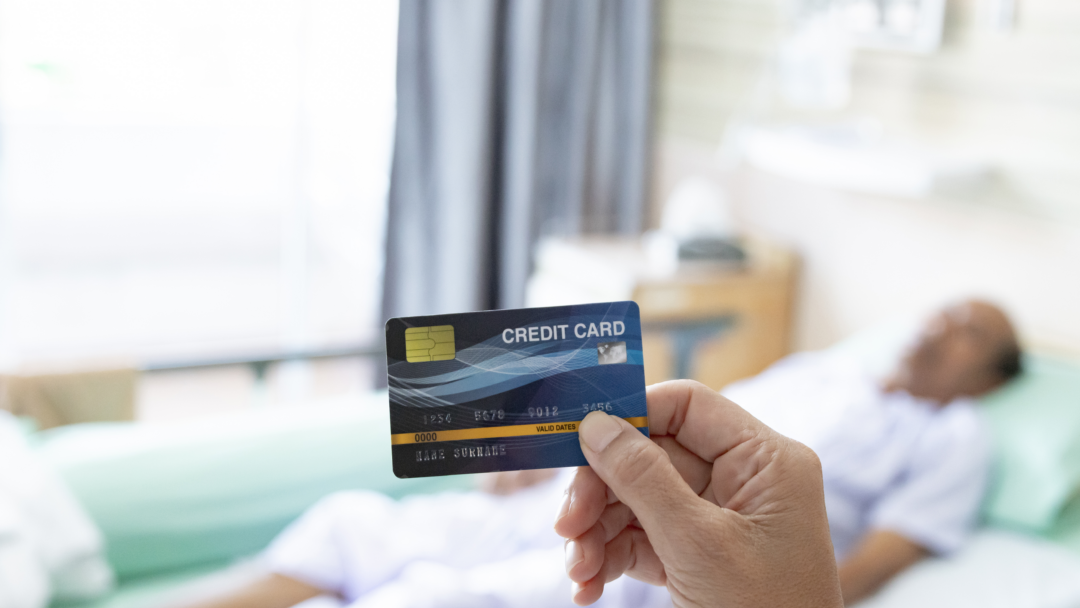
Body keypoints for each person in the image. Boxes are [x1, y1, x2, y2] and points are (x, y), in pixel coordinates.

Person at [176, 299, 1019, 608]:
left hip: (668, 571)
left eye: (969, 330)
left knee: (426, 596)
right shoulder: (830, 370)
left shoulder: (956, 437)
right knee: (354, 525)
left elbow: (871, 562)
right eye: (943, 311)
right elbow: (677, 424)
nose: (937, 327)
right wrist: (554, 453)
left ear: (989, 376)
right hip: (597, 504)